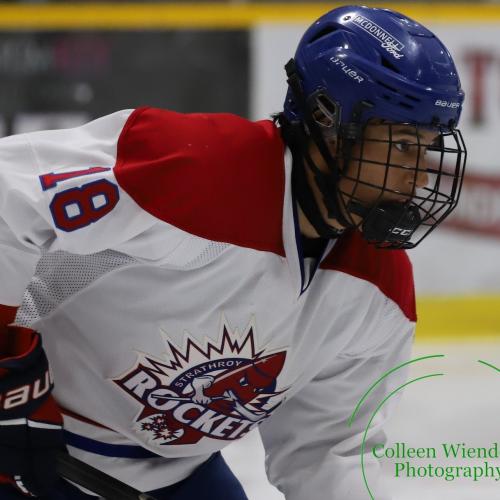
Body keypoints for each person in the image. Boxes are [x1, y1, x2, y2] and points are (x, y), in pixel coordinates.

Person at [0, 5, 466, 500]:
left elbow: (329, 453)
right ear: (327, 119)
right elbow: (8, 198)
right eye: (402, 146)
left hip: (180, 479)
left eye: (427, 148)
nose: (419, 177)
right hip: (28, 451)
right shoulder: (190, 170)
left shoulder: (380, 288)